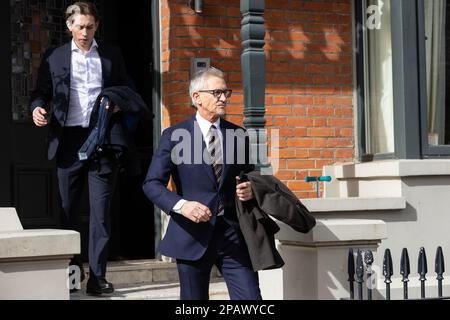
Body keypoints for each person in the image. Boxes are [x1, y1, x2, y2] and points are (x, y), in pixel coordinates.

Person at [30, 1, 128, 295]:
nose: (85, 32)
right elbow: (40, 93)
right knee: (67, 211)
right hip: (68, 142)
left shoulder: (111, 55)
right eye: (80, 26)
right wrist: (37, 108)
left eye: (90, 26)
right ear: (70, 26)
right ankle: (72, 276)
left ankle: (98, 278)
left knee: (100, 212)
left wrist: (119, 103)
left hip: (102, 140)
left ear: (96, 26)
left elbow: (126, 88)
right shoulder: (54, 56)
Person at [143, 67, 262, 300]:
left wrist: (250, 189)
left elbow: (249, 177)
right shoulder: (174, 135)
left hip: (233, 236)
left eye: (226, 92)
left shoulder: (238, 135)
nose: (224, 98)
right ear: (196, 97)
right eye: (217, 92)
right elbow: (152, 183)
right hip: (191, 235)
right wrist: (182, 205)